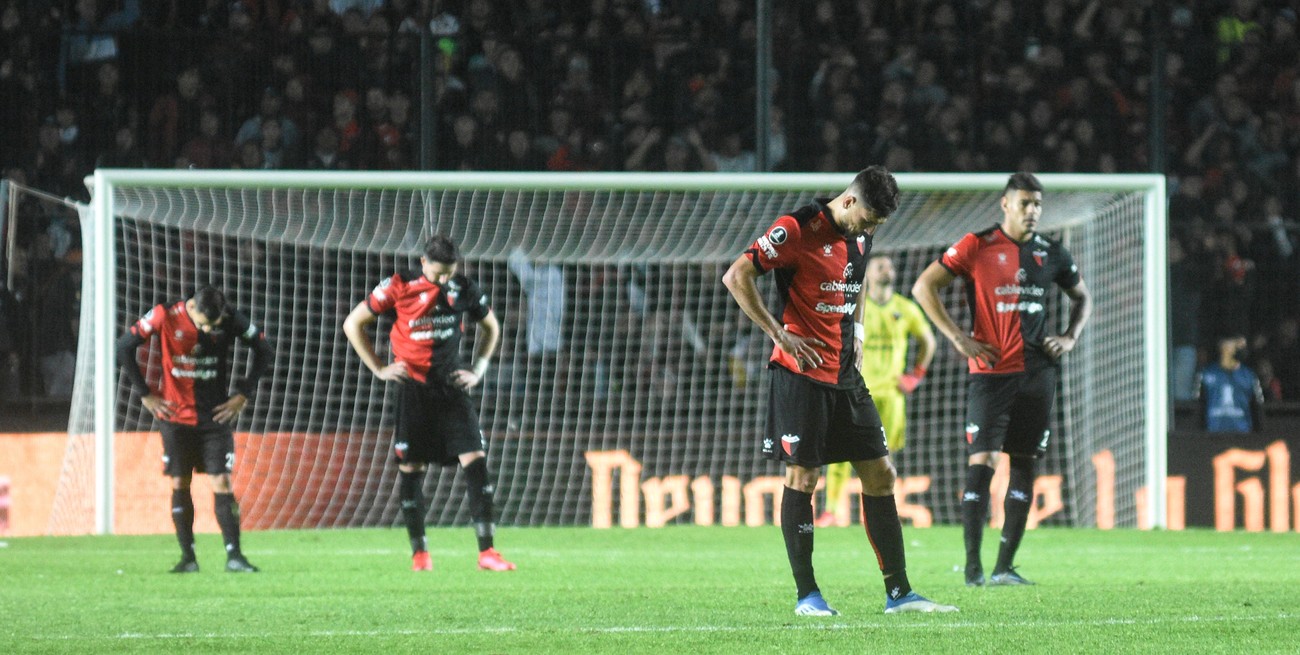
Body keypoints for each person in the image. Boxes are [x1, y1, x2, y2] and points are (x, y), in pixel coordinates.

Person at [723, 166, 956, 616]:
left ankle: (899, 593)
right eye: (867, 219)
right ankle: (807, 596)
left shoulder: (861, 236)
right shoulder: (794, 229)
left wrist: (862, 332)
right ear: (849, 201)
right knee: (803, 478)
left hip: (846, 375)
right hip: (800, 373)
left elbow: (860, 277)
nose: (869, 230)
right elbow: (737, 276)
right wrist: (777, 333)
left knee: (881, 474)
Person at [911, 172, 1093, 587]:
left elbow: (1082, 297)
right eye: (1025, 203)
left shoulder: (1053, 252)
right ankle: (973, 567)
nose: (1033, 212)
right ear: (1005, 204)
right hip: (991, 372)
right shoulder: (978, 245)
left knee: (1025, 464)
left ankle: (1004, 567)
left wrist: (1069, 337)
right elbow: (925, 286)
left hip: (1038, 372)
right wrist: (958, 337)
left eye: (1038, 205)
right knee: (983, 463)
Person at [342, 235, 516, 572]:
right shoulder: (398, 285)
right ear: (423, 263)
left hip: (451, 386)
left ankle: (487, 552)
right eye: (437, 273)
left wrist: (478, 370)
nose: (443, 280)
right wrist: (379, 368)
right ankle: (420, 554)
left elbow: (491, 328)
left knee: (476, 460)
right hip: (413, 388)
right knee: (411, 469)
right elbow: (353, 323)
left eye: (449, 273)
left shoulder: (463, 288)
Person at [116, 286, 272, 573]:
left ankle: (235, 557)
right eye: (202, 323)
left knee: (222, 482)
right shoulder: (165, 315)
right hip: (175, 418)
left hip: (215, 417)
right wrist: (145, 393)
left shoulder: (229, 318)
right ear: (191, 307)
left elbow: (264, 349)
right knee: (179, 483)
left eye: (212, 326)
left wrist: (243, 393)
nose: (207, 329)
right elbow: (124, 346)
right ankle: (188, 558)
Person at [816, 254, 936, 528]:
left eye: (891, 265)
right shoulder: (857, 310)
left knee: (885, 457)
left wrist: (916, 375)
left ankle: (880, 511)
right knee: (840, 453)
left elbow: (928, 341)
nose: (888, 270)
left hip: (891, 396)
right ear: (868, 273)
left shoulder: (906, 309)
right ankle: (831, 511)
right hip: (856, 392)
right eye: (881, 266)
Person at [1196, 334, 1264, 433]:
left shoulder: (1249, 376)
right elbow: (1197, 408)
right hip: (1212, 436)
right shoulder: (1206, 374)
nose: (1241, 347)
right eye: (1237, 343)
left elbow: (1258, 410)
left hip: (1243, 436)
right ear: (1223, 346)